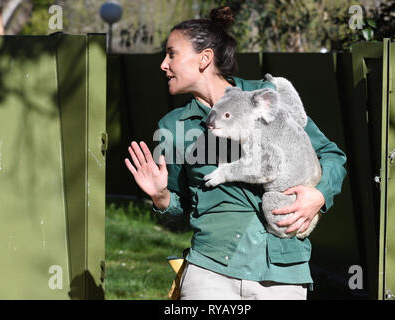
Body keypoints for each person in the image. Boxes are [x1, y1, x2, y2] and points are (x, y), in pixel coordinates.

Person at [124, 6, 347, 300]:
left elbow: (332, 156)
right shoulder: (174, 127)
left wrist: (318, 196)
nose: (163, 64)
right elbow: (180, 213)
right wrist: (161, 197)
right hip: (210, 272)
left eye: (172, 54)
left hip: (281, 270)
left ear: (204, 58)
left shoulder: (265, 98)